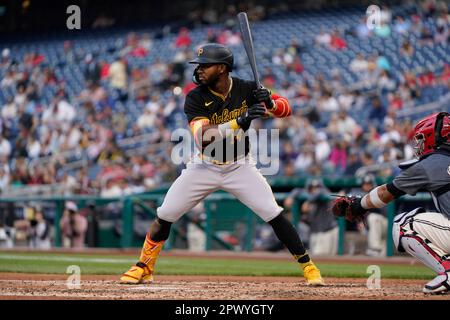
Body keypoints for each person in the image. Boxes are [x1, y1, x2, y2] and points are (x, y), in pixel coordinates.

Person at [120, 43, 324, 286]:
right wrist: (240, 120)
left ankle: (308, 266)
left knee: (273, 213)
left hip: (240, 165)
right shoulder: (195, 97)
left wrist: (269, 102)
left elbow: (286, 110)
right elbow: (203, 138)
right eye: (199, 66)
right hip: (205, 165)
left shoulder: (247, 88)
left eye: (205, 66)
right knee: (165, 214)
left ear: (222, 68)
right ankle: (144, 266)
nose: (200, 70)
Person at [331, 112, 450, 294]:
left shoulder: (432, 163)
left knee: (403, 224)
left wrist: (358, 205)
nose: (418, 144)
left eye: (421, 138)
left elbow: (387, 193)